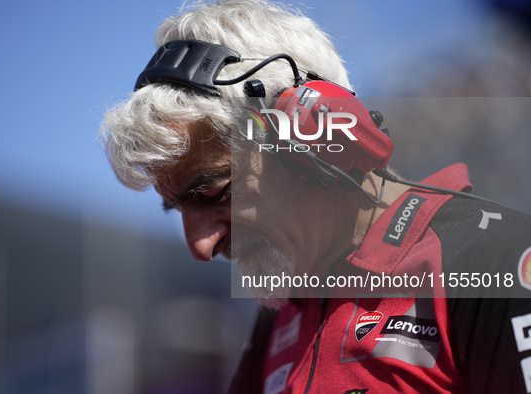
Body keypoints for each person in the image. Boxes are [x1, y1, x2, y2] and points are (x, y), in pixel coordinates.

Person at [100, 1, 531, 392]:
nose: (199, 245)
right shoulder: (281, 305)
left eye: (216, 193)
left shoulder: (494, 263)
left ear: (319, 139)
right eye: (177, 208)